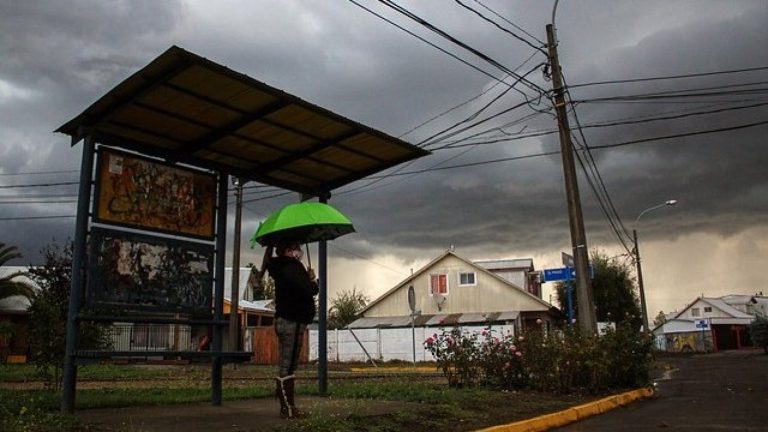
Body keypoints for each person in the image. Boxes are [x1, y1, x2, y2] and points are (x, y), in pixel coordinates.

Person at [260, 240, 318, 419]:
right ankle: (288, 408)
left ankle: (288, 406)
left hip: (289, 321)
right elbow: (309, 290)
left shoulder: (282, 267)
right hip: (292, 321)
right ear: (287, 251)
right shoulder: (291, 268)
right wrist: (312, 279)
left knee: (289, 363)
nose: (299, 251)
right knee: (288, 364)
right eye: (295, 248)